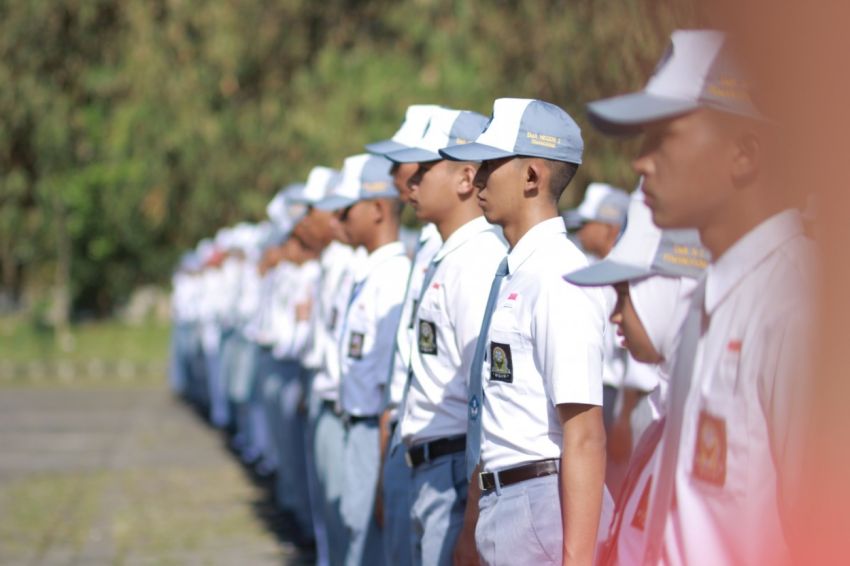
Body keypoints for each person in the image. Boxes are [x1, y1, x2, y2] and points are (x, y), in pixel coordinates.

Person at [586, 29, 814, 565]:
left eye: (663, 137)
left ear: (743, 153)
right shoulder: (707, 305)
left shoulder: (797, 308)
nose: (640, 163)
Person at [440, 97, 612, 565]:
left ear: (532, 176)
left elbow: (584, 434)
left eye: (491, 163)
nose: (476, 177)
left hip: (542, 501)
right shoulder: (518, 270)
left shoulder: (558, 276)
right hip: (509, 499)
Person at [564, 188, 709, 565]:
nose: (615, 314)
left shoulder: (701, 404)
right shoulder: (664, 411)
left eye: (625, 294)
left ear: (663, 290)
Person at [386, 106, 501, 565]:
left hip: (456, 470)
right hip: (432, 467)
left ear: (465, 178)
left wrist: (472, 514)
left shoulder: (475, 262)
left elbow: (485, 399)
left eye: (424, 170)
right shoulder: (449, 256)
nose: (410, 184)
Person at [316, 153, 411, 566]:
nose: (339, 219)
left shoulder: (392, 277)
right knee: (355, 537)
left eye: (347, 209)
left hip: (375, 429)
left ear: (377, 208)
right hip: (357, 424)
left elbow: (391, 383)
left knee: (367, 545)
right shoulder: (370, 271)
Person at [365, 103, 442, 566]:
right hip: (407, 433)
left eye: (409, 165)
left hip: (439, 449)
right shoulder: (430, 246)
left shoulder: (466, 254)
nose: (402, 180)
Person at [291, 165, 356, 566]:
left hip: (344, 405)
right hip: (326, 393)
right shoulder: (330, 264)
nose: (306, 219)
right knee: (329, 512)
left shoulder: (351, 263)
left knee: (347, 519)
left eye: (313, 209)